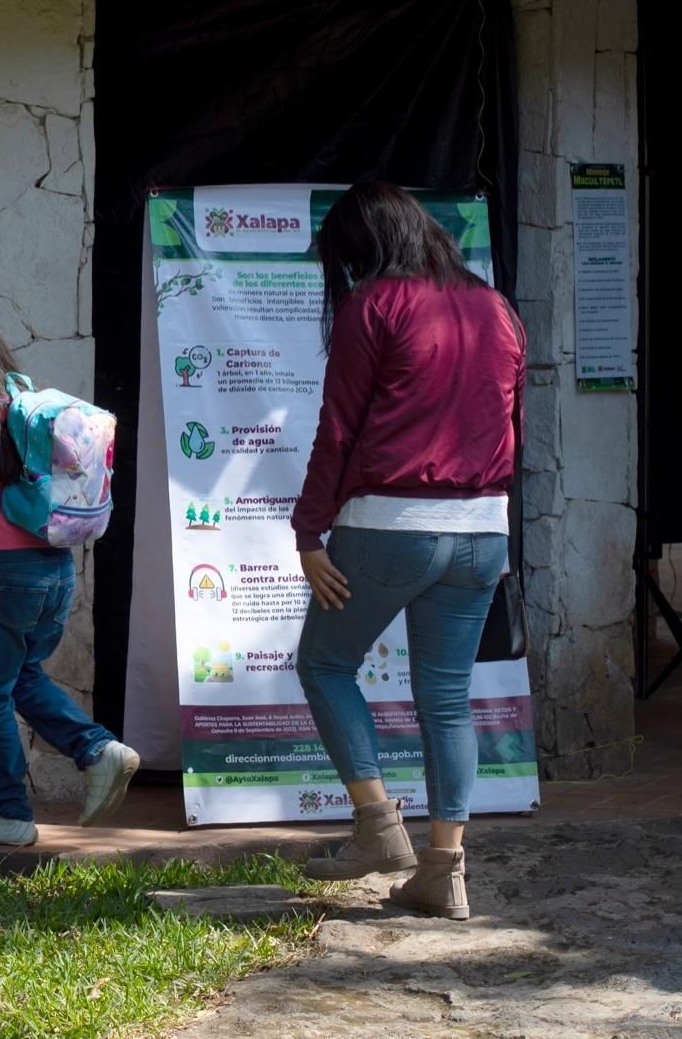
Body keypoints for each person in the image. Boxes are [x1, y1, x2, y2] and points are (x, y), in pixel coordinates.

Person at [290, 181, 524, 921]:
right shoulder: (496, 307)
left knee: (325, 665)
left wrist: (306, 531)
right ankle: (443, 873)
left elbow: (337, 428)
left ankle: (376, 829)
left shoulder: (375, 304)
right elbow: (507, 419)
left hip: (388, 525)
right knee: (447, 700)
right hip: (482, 528)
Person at [0, 305, 139, 846]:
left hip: (6, 577)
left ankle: (8, 812)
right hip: (56, 570)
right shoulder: (19, 403)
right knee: (23, 676)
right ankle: (100, 751)